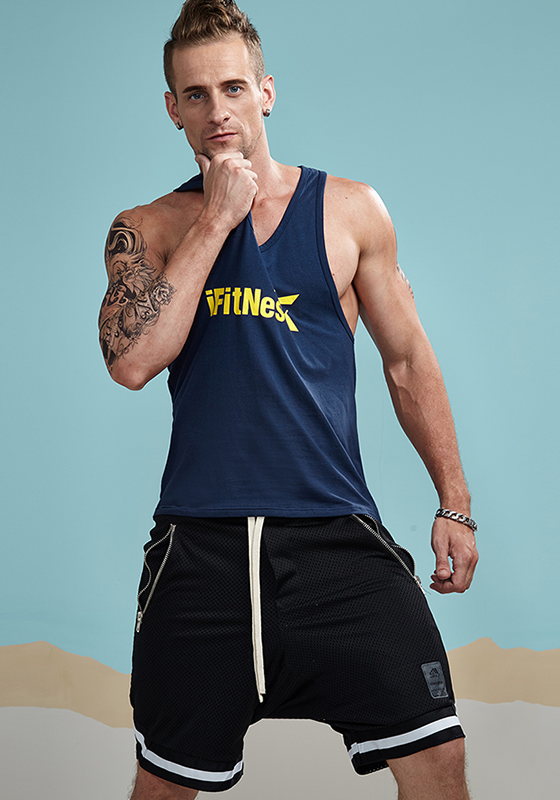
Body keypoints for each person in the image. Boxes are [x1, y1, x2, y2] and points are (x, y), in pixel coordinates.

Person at [99, 2, 478, 798]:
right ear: (172, 109)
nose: (217, 110)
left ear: (266, 92)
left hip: (337, 541)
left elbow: (407, 360)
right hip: (199, 551)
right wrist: (216, 220)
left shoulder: (351, 211)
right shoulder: (149, 227)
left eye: (233, 88)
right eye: (196, 94)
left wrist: (455, 502)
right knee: (162, 785)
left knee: (439, 756)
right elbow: (132, 363)